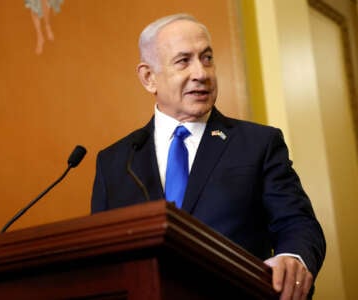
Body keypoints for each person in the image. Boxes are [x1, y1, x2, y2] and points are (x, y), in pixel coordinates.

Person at [91, 13, 326, 300]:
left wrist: (294, 258)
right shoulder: (115, 161)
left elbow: (297, 223)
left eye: (207, 58)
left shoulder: (258, 144)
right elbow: (101, 259)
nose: (201, 73)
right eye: (183, 61)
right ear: (149, 77)